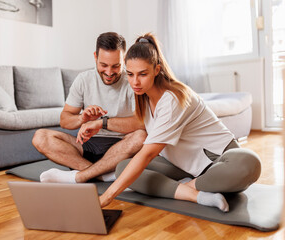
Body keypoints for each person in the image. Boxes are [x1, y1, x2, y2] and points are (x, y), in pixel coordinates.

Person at [81, 33, 261, 212]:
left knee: (250, 162)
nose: (135, 82)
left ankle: (191, 186)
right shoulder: (144, 96)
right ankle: (197, 195)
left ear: (156, 70)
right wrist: (99, 124)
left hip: (220, 162)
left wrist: (106, 197)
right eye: (130, 74)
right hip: (184, 167)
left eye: (142, 74)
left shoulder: (173, 98)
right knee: (123, 168)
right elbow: (137, 122)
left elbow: (147, 154)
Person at [32, 32, 147, 184]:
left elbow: (141, 123)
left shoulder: (133, 81)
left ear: (124, 60)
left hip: (120, 147)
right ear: (95, 57)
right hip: (87, 147)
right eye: (103, 65)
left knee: (141, 136)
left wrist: (102, 122)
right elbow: (65, 121)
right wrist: (82, 118)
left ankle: (84, 175)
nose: (109, 72)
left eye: (116, 66)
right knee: (40, 137)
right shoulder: (83, 80)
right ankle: (101, 175)